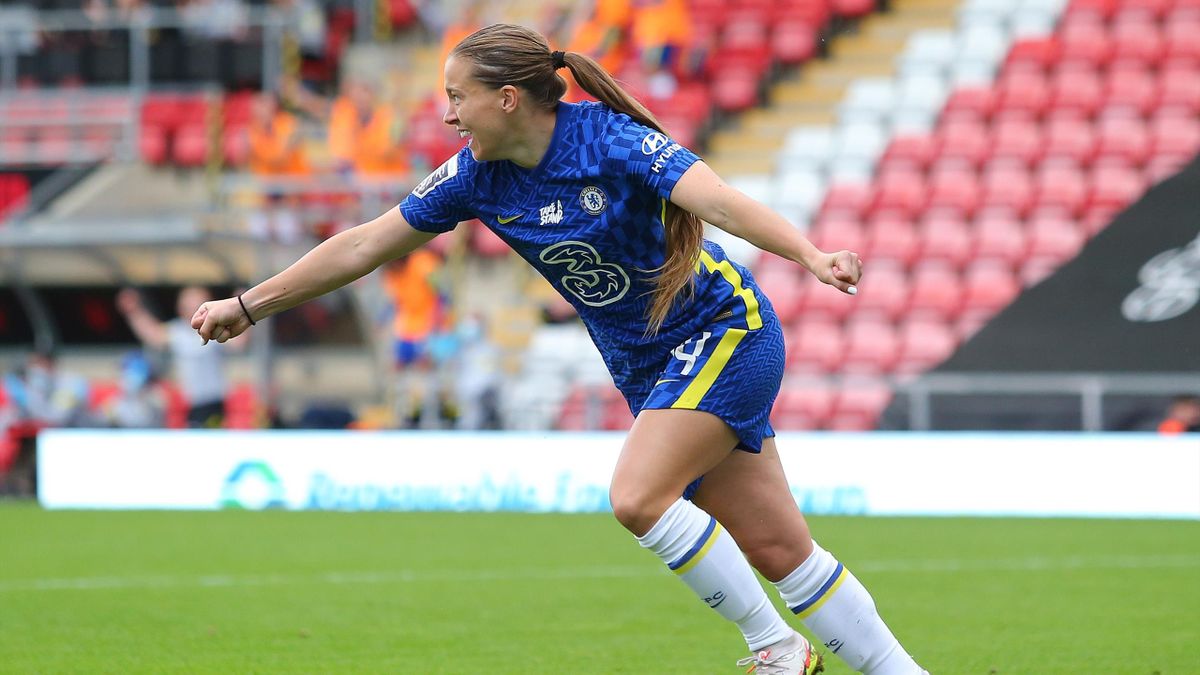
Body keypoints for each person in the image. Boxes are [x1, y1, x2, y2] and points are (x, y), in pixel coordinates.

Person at [191, 24, 927, 674]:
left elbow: (722, 202)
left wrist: (810, 253)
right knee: (781, 553)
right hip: (651, 369)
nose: (446, 113)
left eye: (458, 96)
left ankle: (776, 648)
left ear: (508, 99)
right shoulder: (475, 177)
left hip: (725, 334)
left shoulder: (609, 140)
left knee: (637, 497)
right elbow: (361, 244)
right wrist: (250, 304)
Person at [119, 286, 233, 428]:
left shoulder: (216, 328)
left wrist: (243, 309)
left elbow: (238, 343)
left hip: (214, 400)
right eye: (188, 304)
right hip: (190, 402)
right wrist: (134, 311)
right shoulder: (178, 331)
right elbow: (153, 335)